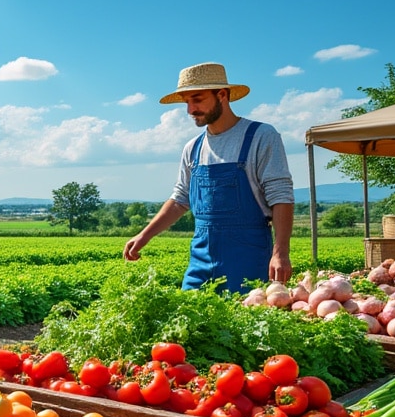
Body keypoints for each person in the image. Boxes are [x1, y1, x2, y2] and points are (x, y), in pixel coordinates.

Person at [124, 62, 294, 293]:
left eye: (197, 99)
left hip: (248, 254)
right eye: (187, 102)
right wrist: (144, 235)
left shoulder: (261, 136)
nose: (190, 110)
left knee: (243, 322)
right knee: (190, 320)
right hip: (201, 257)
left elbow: (281, 195)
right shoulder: (192, 148)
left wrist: (280, 253)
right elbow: (180, 199)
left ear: (222, 95)